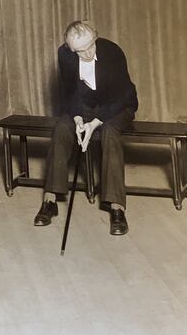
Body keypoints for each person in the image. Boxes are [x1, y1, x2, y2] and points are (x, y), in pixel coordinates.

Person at [34, 20, 138, 235]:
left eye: (91, 46)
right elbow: (69, 92)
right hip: (86, 107)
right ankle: (50, 200)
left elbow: (123, 95)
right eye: (81, 51)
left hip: (118, 107)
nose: (88, 54)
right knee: (62, 128)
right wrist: (78, 117)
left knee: (110, 132)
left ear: (95, 38)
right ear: (71, 49)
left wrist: (96, 122)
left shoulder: (112, 52)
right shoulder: (66, 55)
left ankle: (117, 208)